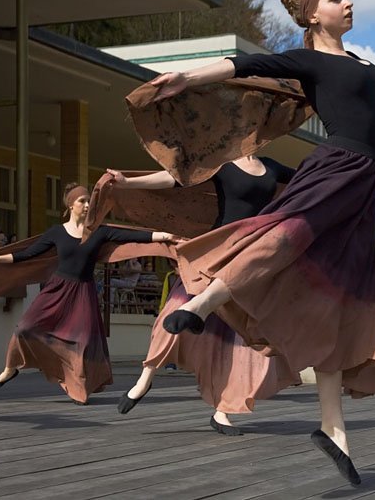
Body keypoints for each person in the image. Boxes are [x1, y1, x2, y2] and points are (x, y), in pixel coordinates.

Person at [142, 0, 375, 485]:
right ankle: (200, 304)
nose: (349, 3)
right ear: (313, 15)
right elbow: (248, 64)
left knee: (335, 299)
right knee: (283, 235)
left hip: (365, 185)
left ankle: (334, 430)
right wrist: (188, 78)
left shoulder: (364, 64)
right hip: (340, 164)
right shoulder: (311, 62)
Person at [108, 156, 299, 435]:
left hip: (251, 256)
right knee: (177, 310)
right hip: (217, 249)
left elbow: (311, 178)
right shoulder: (221, 164)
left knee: (242, 335)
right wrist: (127, 182)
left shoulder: (272, 166)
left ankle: (223, 410)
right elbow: (176, 178)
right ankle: (145, 378)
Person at [0, 183, 179, 404]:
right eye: (82, 200)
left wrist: (164, 235)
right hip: (57, 290)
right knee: (25, 328)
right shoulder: (56, 232)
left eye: (89, 200)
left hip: (83, 292)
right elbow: (26, 255)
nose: (87, 204)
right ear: (71, 205)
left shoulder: (99, 231)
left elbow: (131, 235)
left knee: (81, 343)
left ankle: (78, 387)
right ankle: (10, 368)